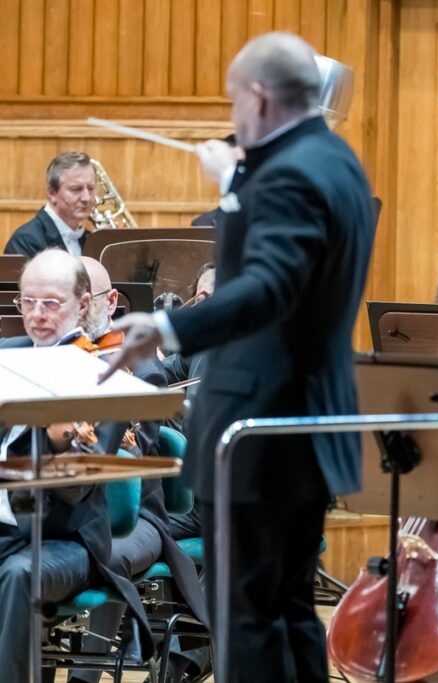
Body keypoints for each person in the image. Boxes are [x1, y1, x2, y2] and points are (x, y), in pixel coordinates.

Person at [104, 32, 376, 682]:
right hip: (306, 423)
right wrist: (236, 181)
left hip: (259, 427)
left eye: (234, 100)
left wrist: (168, 327)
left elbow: (270, 286)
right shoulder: (336, 161)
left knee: (246, 615)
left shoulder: (288, 174)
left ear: (257, 96)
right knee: (288, 607)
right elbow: (294, 259)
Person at [0, 250, 156, 681]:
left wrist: (55, 442)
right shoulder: (6, 355)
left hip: (67, 539)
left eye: (51, 303)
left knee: (17, 575)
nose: (37, 315)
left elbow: (78, 489)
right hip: (8, 529)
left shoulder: (105, 375)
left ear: (82, 305)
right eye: (26, 302)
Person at [68, 257, 208, 683]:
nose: (72, 310)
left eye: (82, 299)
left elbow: (147, 465)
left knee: (97, 549)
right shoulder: (50, 357)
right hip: (62, 507)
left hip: (136, 515)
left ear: (110, 301)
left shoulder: (141, 369)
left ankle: (87, 675)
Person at [5, 152, 96, 257]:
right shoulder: (26, 240)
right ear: (52, 193)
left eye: (90, 188)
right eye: (76, 189)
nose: (86, 198)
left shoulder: (89, 239)